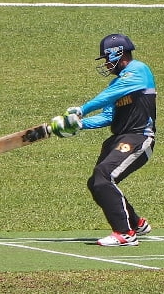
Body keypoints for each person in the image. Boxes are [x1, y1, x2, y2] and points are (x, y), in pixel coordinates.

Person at [50, 34, 157, 247]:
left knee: (104, 176)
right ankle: (136, 223)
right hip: (118, 138)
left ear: (117, 53)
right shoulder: (117, 82)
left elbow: (107, 97)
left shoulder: (138, 70)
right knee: (97, 183)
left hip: (138, 137)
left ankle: (125, 234)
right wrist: (80, 124)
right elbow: (108, 116)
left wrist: (82, 110)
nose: (107, 64)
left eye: (107, 58)